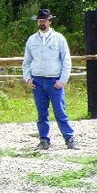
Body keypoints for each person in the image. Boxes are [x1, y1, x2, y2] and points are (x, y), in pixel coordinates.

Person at [22, 9, 79, 150]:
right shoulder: (32, 40)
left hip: (54, 81)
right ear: (37, 22)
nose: (42, 23)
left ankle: (69, 138)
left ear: (50, 21)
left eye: (44, 20)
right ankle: (44, 140)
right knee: (42, 113)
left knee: (60, 111)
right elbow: (27, 61)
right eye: (40, 21)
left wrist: (62, 80)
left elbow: (66, 60)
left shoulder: (59, 38)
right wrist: (28, 78)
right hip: (37, 81)